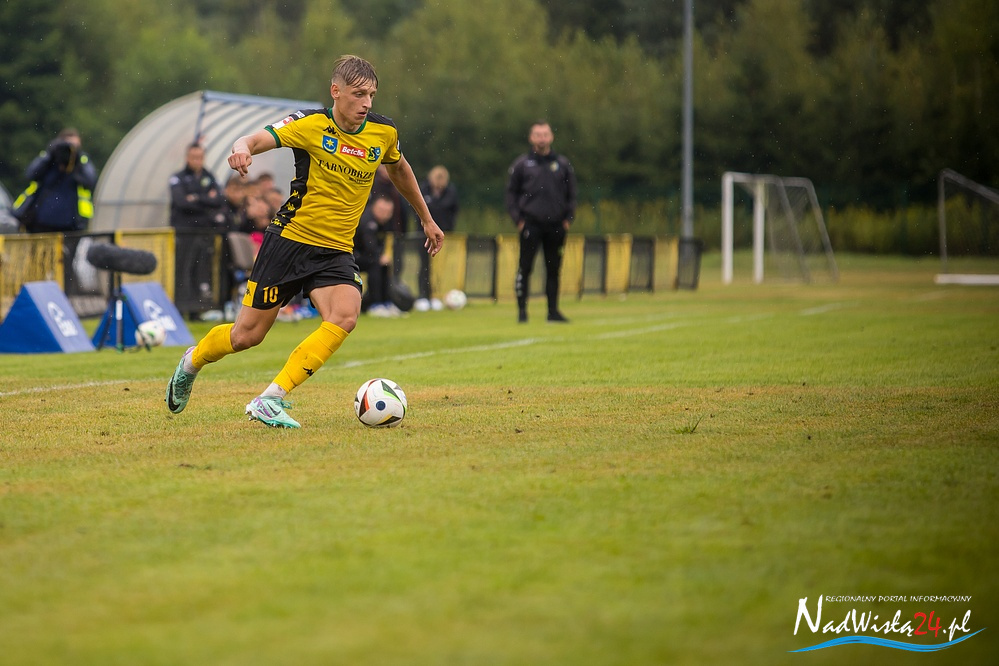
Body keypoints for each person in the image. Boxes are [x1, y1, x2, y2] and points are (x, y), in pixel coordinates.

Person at [165, 54, 444, 429]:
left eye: (372, 95)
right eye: (358, 94)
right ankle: (191, 362)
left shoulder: (383, 132)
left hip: (336, 249)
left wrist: (426, 218)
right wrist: (242, 148)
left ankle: (270, 398)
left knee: (345, 315)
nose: (366, 103)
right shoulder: (310, 124)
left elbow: (399, 169)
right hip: (290, 242)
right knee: (246, 335)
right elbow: (255, 138)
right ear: (336, 91)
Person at [505, 121, 577, 323]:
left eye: (545, 134)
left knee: (553, 270)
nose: (542, 138)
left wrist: (568, 219)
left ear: (551, 137)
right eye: (538, 134)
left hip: (556, 226)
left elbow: (572, 194)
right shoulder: (522, 164)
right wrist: (518, 220)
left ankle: (553, 312)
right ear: (531, 138)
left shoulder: (562, 164)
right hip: (530, 224)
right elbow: (510, 195)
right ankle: (522, 312)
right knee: (525, 268)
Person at [169, 143, 228, 319]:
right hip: (185, 233)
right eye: (193, 157)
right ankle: (181, 308)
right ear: (187, 158)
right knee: (183, 269)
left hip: (204, 233)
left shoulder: (210, 177)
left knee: (201, 270)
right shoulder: (178, 178)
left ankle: (196, 310)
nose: (197, 161)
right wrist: (205, 200)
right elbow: (181, 203)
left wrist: (195, 198)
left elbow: (219, 200)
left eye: (200, 157)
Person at [11, 128, 98, 233]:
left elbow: (91, 180)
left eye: (75, 146)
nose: (70, 150)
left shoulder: (81, 161)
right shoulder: (50, 159)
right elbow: (31, 174)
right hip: (41, 221)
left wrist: (77, 160)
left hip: (70, 223)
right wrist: (50, 154)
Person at [414, 165, 458, 311]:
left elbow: (452, 211)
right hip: (423, 235)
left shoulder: (450, 192)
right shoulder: (423, 190)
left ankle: (438, 295)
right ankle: (423, 295)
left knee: (441, 266)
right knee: (424, 266)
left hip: (444, 235)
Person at [354, 194, 401, 317]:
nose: (385, 214)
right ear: (374, 207)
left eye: (388, 212)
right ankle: (375, 304)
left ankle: (386, 302)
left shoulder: (385, 223)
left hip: (366, 256)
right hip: (351, 256)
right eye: (382, 210)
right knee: (376, 264)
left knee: (384, 265)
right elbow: (369, 245)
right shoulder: (367, 220)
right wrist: (379, 256)